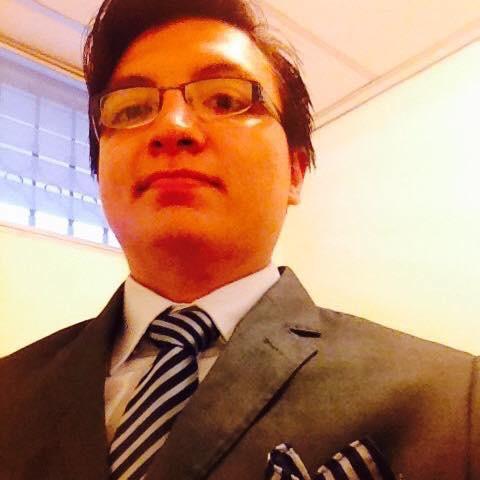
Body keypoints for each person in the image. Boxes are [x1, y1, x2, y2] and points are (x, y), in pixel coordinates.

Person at [0, 0, 478, 478]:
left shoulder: (454, 401)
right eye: (132, 109)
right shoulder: (9, 390)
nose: (171, 127)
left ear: (295, 170)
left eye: (226, 100)